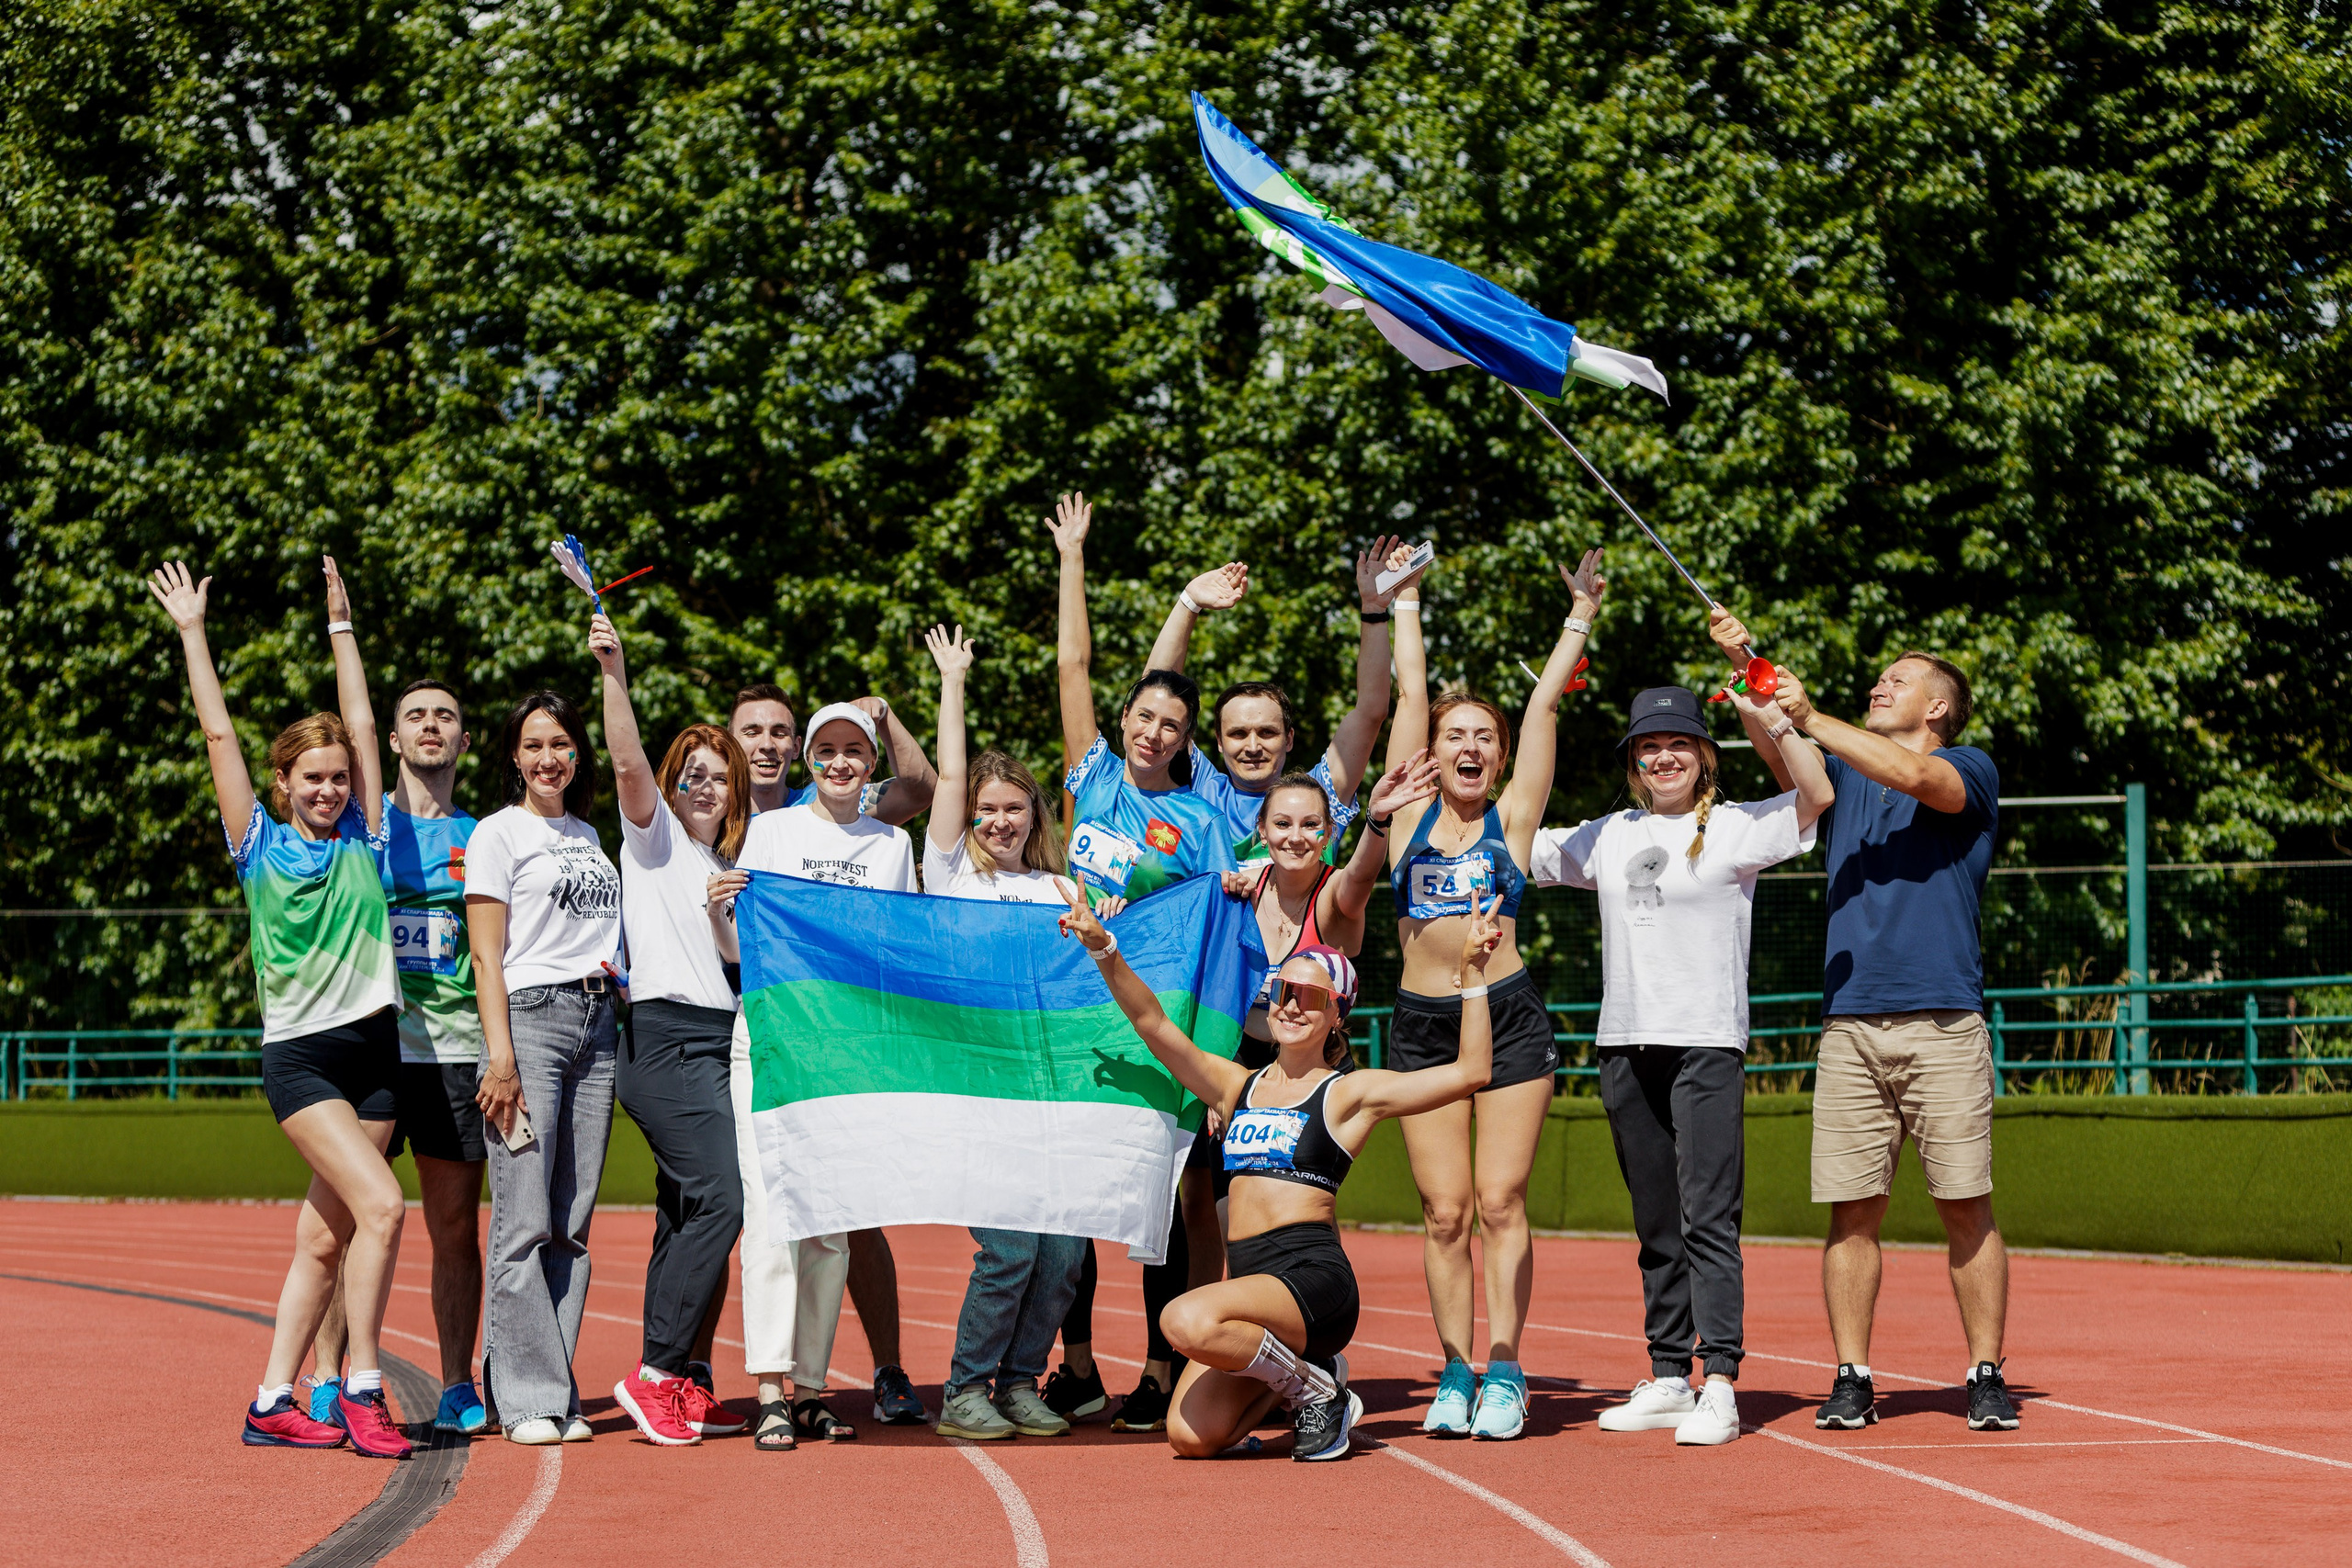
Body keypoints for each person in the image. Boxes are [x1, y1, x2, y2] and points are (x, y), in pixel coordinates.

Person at [1060, 886, 1503, 1460]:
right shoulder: (1235, 1084)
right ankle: (1312, 1375)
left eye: (1309, 997)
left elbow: (1472, 1071)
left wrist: (1471, 973)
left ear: (1337, 1013)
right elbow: (1153, 1024)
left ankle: (1314, 1390)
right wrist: (1104, 950)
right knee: (1190, 1437)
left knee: (1184, 1318)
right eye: (1281, 992)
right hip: (1252, 1288)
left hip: (1314, 1281)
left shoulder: (1348, 1094)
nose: (1290, 1006)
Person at [1708, 608, 2016, 1432]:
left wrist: (1809, 715)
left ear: (1940, 708)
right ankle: (1852, 1373)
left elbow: (1921, 781)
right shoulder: (1844, 778)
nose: (1882, 683)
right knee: (1852, 1210)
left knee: (1965, 1203)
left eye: (1901, 678)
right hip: (1849, 1025)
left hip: (1946, 1021)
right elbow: (1781, 745)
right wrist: (1750, 666)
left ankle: (1986, 1370)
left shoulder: (1968, 767)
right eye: (1881, 678)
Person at [149, 557, 412, 1459]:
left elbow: (367, 723)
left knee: (327, 1240)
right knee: (382, 1208)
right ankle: (365, 1389)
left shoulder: (369, 841)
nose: (330, 789)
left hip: (376, 1056)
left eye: (339, 777)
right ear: (286, 782)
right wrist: (193, 633)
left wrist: (342, 630)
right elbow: (219, 738)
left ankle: (273, 1399)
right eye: (313, 779)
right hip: (302, 1060)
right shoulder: (256, 846)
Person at [1530, 680, 1833, 1445]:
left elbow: (1817, 789)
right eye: (1648, 747)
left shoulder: (1739, 827)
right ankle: (1669, 1373)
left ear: (1703, 756)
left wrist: (1760, 704)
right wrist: (1537, 715)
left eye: (1678, 745)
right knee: (1656, 1219)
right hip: (1624, 1043)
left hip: (1706, 1042)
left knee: (1709, 1217)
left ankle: (1721, 1381)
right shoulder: (1607, 834)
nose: (1663, 757)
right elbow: (1513, 834)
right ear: (1634, 763)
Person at [1381, 547, 1603, 1440]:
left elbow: (1545, 702)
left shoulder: (1512, 820)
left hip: (1506, 1019)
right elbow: (1405, 696)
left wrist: (1579, 612)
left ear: (1500, 756)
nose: (1469, 746)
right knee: (1444, 1213)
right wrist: (1404, 604)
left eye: (1484, 736)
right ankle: (1454, 1372)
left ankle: (1505, 1367)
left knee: (1501, 1200)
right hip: (1424, 1025)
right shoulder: (1402, 819)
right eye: (1454, 735)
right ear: (1432, 754)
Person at [1043, 489, 1241, 1434]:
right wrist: (1074, 555)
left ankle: (1162, 1365)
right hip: (1069, 1009)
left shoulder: (1202, 823)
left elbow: (1209, 942)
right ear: (1123, 721)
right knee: (1074, 1198)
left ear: (1185, 739)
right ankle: (1075, 1364)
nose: (1152, 730)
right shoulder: (1091, 776)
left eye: (1170, 724)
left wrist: (1206, 1065)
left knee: (1158, 1202)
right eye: (1142, 716)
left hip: (1153, 1026)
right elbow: (1072, 660)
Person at [707, 700, 918, 1444]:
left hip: (848, 1052)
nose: (838, 762)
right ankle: (766, 1385)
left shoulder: (893, 844)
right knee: (772, 1217)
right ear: (808, 760)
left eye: (853, 750)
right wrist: (717, 912)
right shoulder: (770, 830)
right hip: (770, 1042)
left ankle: (809, 1388)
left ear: (870, 761)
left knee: (829, 1225)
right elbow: (741, 953)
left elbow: (895, 951)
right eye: (825, 749)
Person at [913, 625, 1094, 1441]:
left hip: (1056, 1094)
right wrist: (953, 679)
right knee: (1012, 1248)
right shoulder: (951, 876)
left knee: (1064, 1254)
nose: (997, 820)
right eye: (986, 809)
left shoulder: (1061, 886)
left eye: (1012, 806)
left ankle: (1020, 1382)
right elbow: (949, 773)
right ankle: (963, 1389)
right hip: (985, 1093)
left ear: (1034, 813)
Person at [305, 679, 493, 1438]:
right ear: (391, 739)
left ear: (463, 740)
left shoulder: (486, 836)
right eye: (415, 715)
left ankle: (456, 1382)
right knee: (346, 1221)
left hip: (454, 1055)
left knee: (453, 1228)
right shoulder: (358, 829)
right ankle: (326, 1377)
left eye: (445, 715)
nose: (430, 725)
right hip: (368, 1050)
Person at [591, 614, 752, 1447]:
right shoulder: (651, 841)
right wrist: (615, 670)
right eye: (691, 774)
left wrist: (728, 921)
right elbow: (623, 758)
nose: (704, 786)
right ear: (669, 782)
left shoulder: (715, 867)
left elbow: (730, 971)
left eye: (718, 777)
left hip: (714, 1044)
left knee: (684, 1215)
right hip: (664, 1043)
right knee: (723, 1200)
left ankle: (682, 1377)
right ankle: (655, 1374)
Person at [466, 675, 624, 1447]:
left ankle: (551, 1389)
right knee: (524, 1218)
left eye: (560, 743)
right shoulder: (499, 833)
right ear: (514, 757)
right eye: (533, 745)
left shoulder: (590, 838)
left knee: (572, 1221)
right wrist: (501, 1057)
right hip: (530, 1022)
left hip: (598, 1025)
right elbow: (485, 955)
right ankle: (526, 1397)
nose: (548, 757)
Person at [1142, 536, 1414, 865]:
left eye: (1267, 733)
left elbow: (1371, 711)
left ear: (1289, 739)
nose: (1253, 746)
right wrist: (1189, 603)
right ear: (1218, 741)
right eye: (1238, 733)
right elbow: (1155, 697)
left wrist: (1373, 610)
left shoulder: (1318, 798)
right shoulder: (1199, 787)